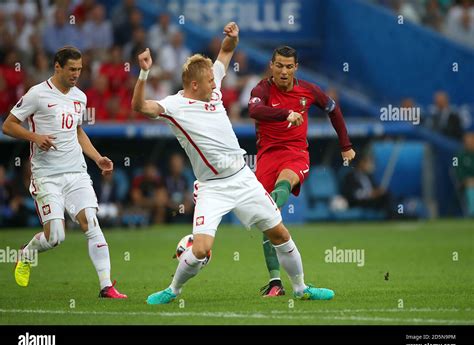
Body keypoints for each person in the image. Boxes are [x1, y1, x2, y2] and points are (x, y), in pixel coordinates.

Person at [132, 22, 335, 304]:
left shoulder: (211, 86)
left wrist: (233, 38)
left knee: (279, 232)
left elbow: (225, 54)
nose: (216, 85)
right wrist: (144, 72)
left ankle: (301, 288)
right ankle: (172, 290)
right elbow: (140, 107)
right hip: (211, 188)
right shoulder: (174, 107)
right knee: (201, 249)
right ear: (194, 85)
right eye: (210, 82)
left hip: (242, 178)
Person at [2, 46, 127, 299]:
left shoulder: (80, 97)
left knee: (91, 223)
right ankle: (26, 253)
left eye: (79, 69)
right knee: (56, 237)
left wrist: (97, 157)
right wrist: (35, 137)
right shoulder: (37, 94)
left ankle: (106, 286)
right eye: (71, 69)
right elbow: (8, 125)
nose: (76, 74)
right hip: (47, 176)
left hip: (76, 172)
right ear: (57, 67)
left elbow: (78, 132)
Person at [248, 46, 356, 296]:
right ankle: (275, 282)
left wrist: (346, 145)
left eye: (289, 66)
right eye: (279, 66)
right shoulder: (261, 90)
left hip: (295, 153)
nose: (283, 71)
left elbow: (333, 109)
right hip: (266, 156)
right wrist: (286, 113)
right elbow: (254, 111)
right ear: (271, 65)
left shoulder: (309, 90)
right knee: (268, 222)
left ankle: (293, 282)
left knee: (280, 190)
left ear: (296, 68)